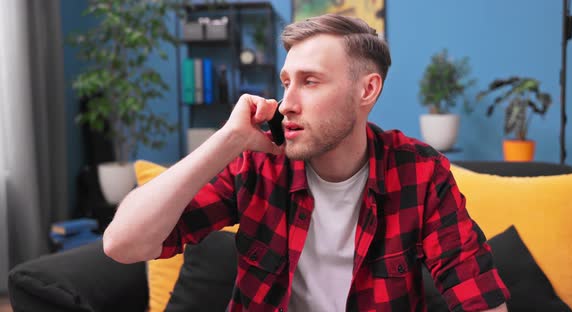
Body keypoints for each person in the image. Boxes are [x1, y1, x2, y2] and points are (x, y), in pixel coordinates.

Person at [103, 14, 510, 312]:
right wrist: (226, 140)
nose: (288, 103)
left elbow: (478, 297)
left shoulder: (419, 173)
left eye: (310, 81)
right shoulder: (257, 164)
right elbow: (122, 245)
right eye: (286, 82)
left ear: (367, 89)